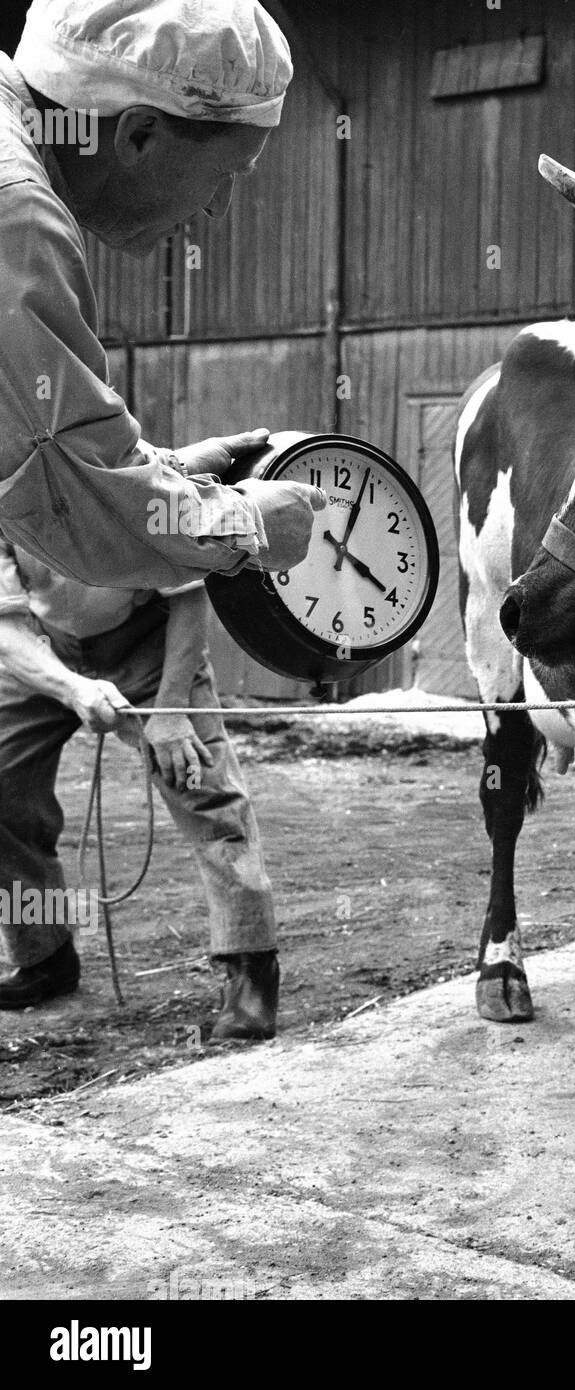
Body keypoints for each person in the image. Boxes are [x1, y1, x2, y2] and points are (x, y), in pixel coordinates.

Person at [0, 0, 325, 601]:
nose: (217, 209)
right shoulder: (15, 212)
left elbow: (36, 450)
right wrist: (244, 524)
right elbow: (70, 502)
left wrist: (161, 471)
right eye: (225, 173)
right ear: (139, 134)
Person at [0, 536, 280, 1039]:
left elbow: (193, 593)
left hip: (151, 645)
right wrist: (72, 687)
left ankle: (251, 972)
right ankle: (44, 955)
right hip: (45, 651)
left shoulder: (133, 474)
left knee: (204, 787)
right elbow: (5, 625)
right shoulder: (5, 491)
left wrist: (172, 709)